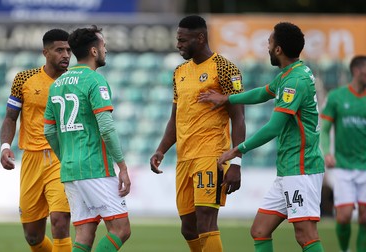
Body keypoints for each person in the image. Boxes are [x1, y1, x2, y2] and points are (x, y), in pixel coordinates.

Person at [198, 22, 326, 252]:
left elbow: (274, 127)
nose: (266, 46)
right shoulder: (293, 72)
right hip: (289, 168)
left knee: (306, 235)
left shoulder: (294, 81)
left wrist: (237, 150)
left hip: (301, 168)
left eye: (269, 42)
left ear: (278, 49)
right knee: (260, 230)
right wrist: (228, 99)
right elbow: (263, 93)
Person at [150, 15, 246, 252]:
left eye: (182, 40)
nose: (178, 44)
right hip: (185, 159)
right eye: (177, 39)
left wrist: (236, 161)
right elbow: (176, 117)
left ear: (200, 37)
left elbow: (239, 117)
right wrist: (161, 149)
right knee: (188, 228)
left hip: (211, 155)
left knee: (206, 219)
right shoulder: (179, 72)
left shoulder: (225, 68)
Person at [43, 25, 131, 252]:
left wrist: (66, 157)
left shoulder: (56, 85)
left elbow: (49, 132)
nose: (106, 50)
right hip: (94, 167)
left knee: (84, 235)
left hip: (70, 169)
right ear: (94, 51)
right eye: (103, 45)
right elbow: (107, 128)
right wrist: (122, 166)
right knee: (120, 229)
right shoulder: (95, 81)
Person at [0, 29, 72, 251]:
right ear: (45, 52)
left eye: (68, 50)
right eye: (60, 50)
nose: (66, 55)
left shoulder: (75, 81)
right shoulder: (24, 79)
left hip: (62, 158)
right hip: (31, 160)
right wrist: (5, 147)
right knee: (33, 237)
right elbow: (10, 118)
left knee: (60, 221)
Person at [320, 55, 366, 252]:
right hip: (343, 166)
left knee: (365, 218)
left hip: (365, 166)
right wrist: (328, 152)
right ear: (356, 71)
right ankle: (345, 249)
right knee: (344, 216)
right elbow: (324, 128)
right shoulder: (337, 97)